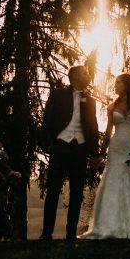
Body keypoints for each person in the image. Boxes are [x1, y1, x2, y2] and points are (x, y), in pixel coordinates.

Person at [82, 73, 130, 239]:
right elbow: (108, 133)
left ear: (127, 85)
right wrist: (101, 154)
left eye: (118, 83)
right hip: (116, 148)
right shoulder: (112, 107)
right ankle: (109, 226)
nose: (115, 85)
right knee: (113, 181)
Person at [40, 65, 99, 240]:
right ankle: (47, 232)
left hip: (80, 150)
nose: (88, 75)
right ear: (74, 77)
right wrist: (49, 145)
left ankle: (71, 233)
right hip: (60, 148)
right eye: (85, 73)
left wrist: (94, 152)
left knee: (77, 191)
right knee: (53, 190)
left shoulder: (90, 100)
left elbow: (93, 127)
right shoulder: (58, 94)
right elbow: (47, 120)